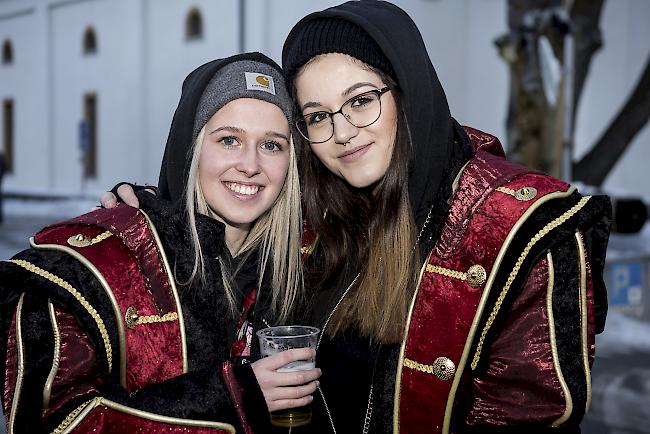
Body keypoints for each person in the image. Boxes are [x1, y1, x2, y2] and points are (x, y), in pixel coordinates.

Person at [103, 2, 612, 433]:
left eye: (361, 101)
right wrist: (159, 210)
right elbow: (228, 219)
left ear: (407, 90)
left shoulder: (522, 230)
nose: (343, 131)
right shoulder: (313, 217)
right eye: (318, 116)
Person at [0, 52, 321, 433]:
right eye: (229, 139)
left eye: (272, 145)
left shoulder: (309, 260)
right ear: (191, 147)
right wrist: (234, 393)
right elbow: (57, 421)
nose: (250, 164)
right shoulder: (101, 269)